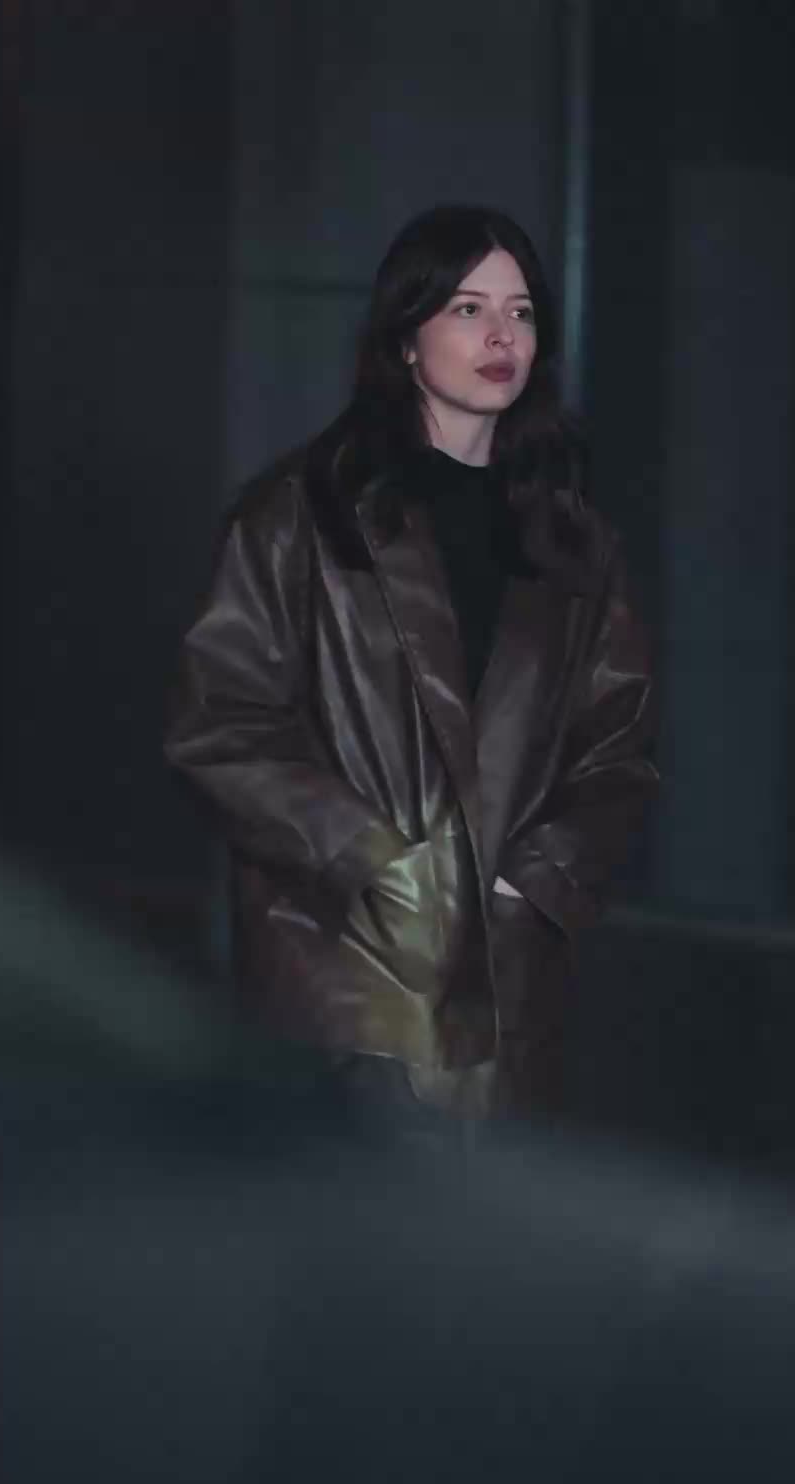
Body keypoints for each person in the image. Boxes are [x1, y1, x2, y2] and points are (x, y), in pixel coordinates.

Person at [166, 204, 656, 1125]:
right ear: (405, 338)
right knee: (347, 1208)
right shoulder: (300, 515)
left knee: (492, 1214)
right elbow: (222, 724)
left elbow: (617, 747)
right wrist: (377, 864)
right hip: (341, 978)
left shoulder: (574, 543)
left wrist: (530, 883)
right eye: (468, 309)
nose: (501, 336)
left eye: (520, 312)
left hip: (509, 988)